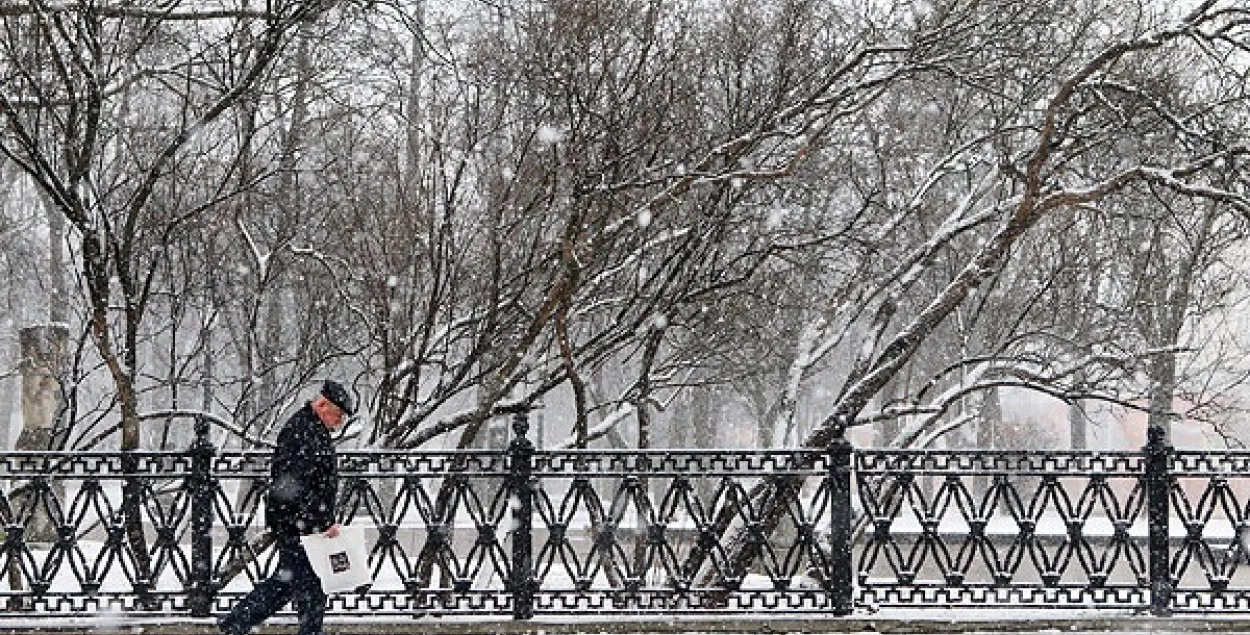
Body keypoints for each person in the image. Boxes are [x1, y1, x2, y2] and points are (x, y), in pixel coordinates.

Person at [219, 380, 355, 635]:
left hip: (303, 524)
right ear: (322, 404)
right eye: (338, 415)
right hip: (298, 524)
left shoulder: (311, 429)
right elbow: (294, 486)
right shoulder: (302, 431)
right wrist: (321, 521)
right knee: (294, 584)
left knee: (305, 584)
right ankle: (234, 624)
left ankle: (239, 624)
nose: (339, 422)